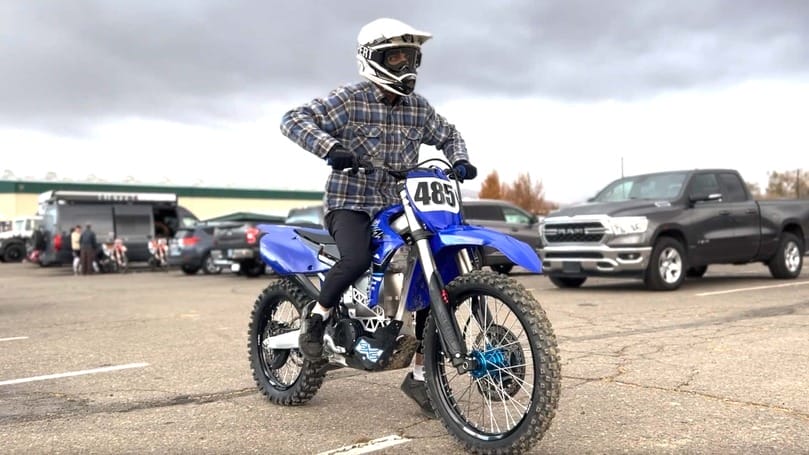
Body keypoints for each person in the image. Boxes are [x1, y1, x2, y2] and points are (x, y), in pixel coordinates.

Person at [280, 17, 478, 418]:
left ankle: (424, 379)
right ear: (373, 59)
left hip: (397, 206)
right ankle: (316, 319)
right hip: (349, 204)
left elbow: (449, 133)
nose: (406, 66)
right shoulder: (350, 99)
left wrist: (458, 159)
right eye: (396, 56)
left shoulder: (417, 108)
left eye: (412, 58)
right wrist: (330, 147)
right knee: (354, 259)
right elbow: (293, 119)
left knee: (430, 276)